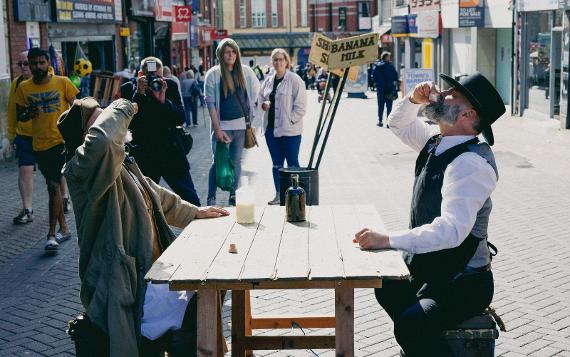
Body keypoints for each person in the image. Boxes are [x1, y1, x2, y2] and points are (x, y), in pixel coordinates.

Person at [57, 97, 229, 357]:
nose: (111, 121)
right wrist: (124, 105)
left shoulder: (121, 164)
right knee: (194, 310)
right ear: (86, 137)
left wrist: (196, 213)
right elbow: (103, 140)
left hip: (151, 276)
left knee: (209, 292)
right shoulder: (83, 169)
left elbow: (157, 196)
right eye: (101, 119)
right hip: (125, 285)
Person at [353, 72, 506, 356]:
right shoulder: (438, 141)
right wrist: (413, 100)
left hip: (464, 281)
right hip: (434, 268)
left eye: (452, 94)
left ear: (468, 114)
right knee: (385, 284)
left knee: (411, 325)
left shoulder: (470, 163)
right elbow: (397, 123)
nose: (442, 93)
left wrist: (387, 239)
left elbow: (451, 231)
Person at [15, 47, 78, 251]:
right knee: (55, 189)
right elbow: (20, 115)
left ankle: (51, 235)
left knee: (53, 187)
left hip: (61, 143)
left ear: (48, 63)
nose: (38, 67)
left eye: (42, 62)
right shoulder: (24, 88)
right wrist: (29, 113)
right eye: (34, 63)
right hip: (40, 145)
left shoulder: (62, 82)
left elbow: (79, 107)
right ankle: (65, 228)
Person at [122, 56, 201, 207]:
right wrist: (138, 93)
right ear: (140, 75)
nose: (154, 80)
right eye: (149, 77)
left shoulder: (168, 85)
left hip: (171, 153)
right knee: (143, 205)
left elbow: (180, 118)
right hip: (144, 155)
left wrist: (164, 101)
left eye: (158, 76)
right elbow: (127, 122)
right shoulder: (128, 89)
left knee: (192, 202)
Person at [203, 38, 260, 206]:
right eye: (227, 52)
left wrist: (252, 115)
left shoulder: (246, 72)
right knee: (217, 162)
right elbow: (210, 103)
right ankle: (211, 197)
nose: (231, 55)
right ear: (220, 54)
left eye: (234, 51)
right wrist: (217, 129)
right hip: (223, 127)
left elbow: (255, 92)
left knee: (236, 162)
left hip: (241, 127)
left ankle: (233, 196)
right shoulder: (213, 74)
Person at [258, 48, 307, 205]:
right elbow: (259, 99)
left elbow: (300, 107)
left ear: (287, 61)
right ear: (272, 62)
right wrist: (263, 104)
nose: (278, 62)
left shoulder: (295, 80)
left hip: (290, 132)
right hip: (271, 131)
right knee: (277, 165)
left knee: (292, 164)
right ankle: (279, 195)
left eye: (281, 59)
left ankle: (297, 196)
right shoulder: (267, 81)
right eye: (275, 60)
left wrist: (290, 121)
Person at [7, 51, 34, 224]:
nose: (23, 67)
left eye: (26, 63)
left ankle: (64, 197)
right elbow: (11, 111)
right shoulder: (16, 84)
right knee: (25, 170)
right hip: (24, 135)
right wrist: (11, 135)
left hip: (47, 135)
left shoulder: (50, 81)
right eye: (20, 64)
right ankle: (27, 209)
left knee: (55, 174)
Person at [373, 51, 398, 127]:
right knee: (389, 106)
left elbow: (373, 77)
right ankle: (388, 123)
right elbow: (395, 77)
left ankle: (380, 121)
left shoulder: (377, 66)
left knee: (380, 106)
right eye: (389, 57)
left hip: (380, 89)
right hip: (389, 89)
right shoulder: (391, 66)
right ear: (386, 58)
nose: (390, 58)